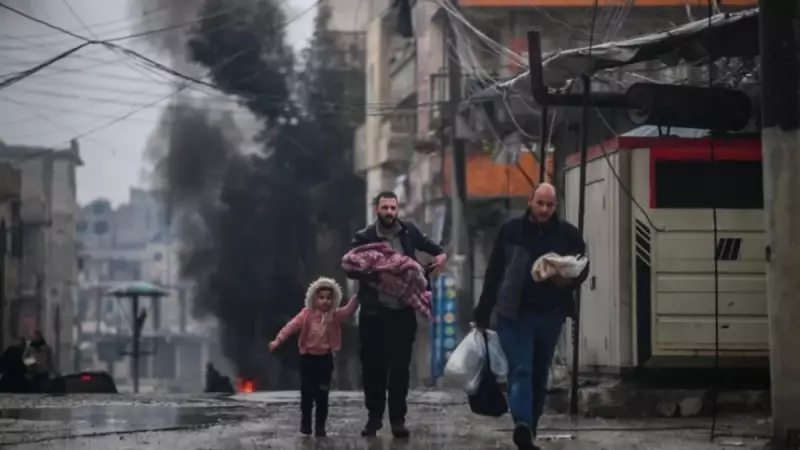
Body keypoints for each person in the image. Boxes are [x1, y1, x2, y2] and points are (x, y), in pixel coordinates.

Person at [473, 183, 589, 450]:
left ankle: (528, 432)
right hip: (513, 313)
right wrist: (482, 310)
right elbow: (494, 271)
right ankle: (522, 423)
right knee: (521, 368)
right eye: (540, 204)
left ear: (555, 206)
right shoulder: (511, 231)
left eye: (550, 205)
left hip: (550, 314)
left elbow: (582, 268)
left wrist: (565, 278)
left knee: (539, 373)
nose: (545, 209)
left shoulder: (568, 235)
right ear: (530, 202)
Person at [346, 191, 448, 439]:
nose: (389, 212)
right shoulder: (365, 237)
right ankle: (374, 418)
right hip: (374, 313)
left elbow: (435, 249)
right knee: (373, 369)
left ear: (397, 210)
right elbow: (350, 267)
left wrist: (438, 261)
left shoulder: (409, 232)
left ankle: (398, 420)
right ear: (376, 210)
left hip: (403, 312)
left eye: (393, 208)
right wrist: (379, 274)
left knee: (400, 368)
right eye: (385, 208)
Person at [269, 277, 359, 438]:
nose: (325, 301)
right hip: (308, 359)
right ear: (313, 298)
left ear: (334, 300)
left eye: (329, 298)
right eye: (321, 297)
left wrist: (358, 297)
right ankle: (306, 423)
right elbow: (291, 326)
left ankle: (320, 426)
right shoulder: (306, 315)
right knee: (307, 393)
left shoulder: (334, 315)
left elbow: (348, 311)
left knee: (322, 394)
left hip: (325, 360)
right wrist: (278, 340)